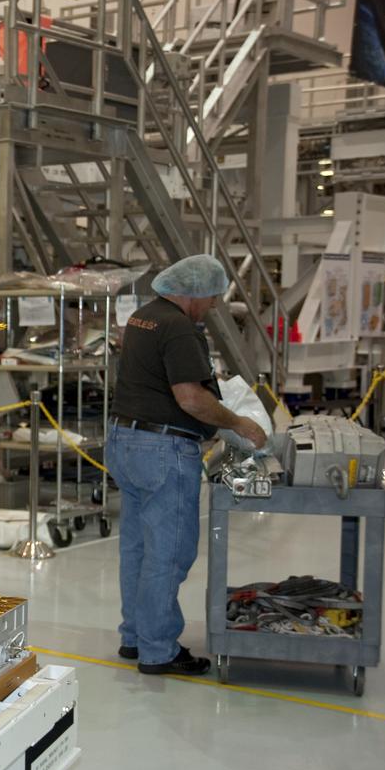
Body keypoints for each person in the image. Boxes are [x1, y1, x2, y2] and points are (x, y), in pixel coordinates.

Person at [107, 254, 267, 676]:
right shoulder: (180, 328)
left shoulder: (143, 317)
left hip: (124, 441)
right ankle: (158, 650)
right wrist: (239, 424)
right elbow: (191, 398)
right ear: (193, 292)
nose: (212, 306)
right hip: (162, 451)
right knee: (169, 553)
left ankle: (135, 636)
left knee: (136, 548)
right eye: (212, 297)